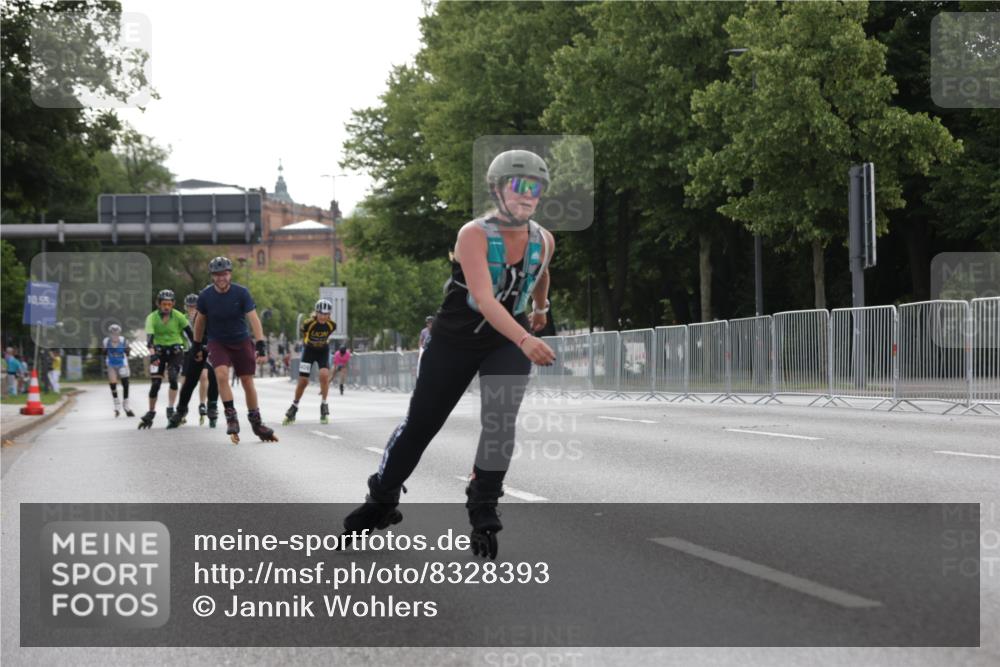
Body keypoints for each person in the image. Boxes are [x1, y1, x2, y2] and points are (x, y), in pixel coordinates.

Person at [342, 149, 556, 559]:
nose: (526, 196)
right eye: (518, 186)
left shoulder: (544, 239)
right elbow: (485, 300)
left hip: (503, 342)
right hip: (454, 341)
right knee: (422, 424)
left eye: (535, 188)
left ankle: (484, 505)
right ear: (497, 190)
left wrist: (540, 310)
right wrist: (526, 339)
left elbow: (543, 271)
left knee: (500, 420)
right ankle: (382, 499)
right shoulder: (473, 235)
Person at [191, 256, 277, 444]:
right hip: (217, 341)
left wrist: (261, 343)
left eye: (225, 274)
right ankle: (231, 417)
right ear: (212, 276)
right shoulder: (206, 296)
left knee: (247, 380)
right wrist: (196, 345)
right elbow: (199, 321)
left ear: (230, 274)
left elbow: (253, 318)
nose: (221, 278)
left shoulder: (241, 293)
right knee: (221, 375)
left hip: (241, 340)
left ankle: (256, 422)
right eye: (217, 275)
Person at [138, 290, 192, 429]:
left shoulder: (178, 316)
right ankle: (151, 412)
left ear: (173, 304)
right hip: (159, 352)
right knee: (155, 384)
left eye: (169, 304)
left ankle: (170, 408)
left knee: (173, 377)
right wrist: (153, 353)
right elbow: (149, 339)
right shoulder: (152, 317)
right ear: (158, 304)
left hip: (175, 351)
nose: (167, 307)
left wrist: (197, 347)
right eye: (164, 304)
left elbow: (190, 334)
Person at [166, 294, 220, 429]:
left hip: (204, 351)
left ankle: (205, 404)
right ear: (185, 307)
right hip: (187, 352)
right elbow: (175, 334)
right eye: (189, 307)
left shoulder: (204, 316)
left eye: (195, 307)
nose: (192, 309)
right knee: (185, 381)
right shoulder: (181, 319)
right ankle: (180, 410)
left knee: (206, 376)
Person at [284, 299, 336, 425]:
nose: (323, 317)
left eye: (326, 314)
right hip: (309, 351)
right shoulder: (308, 323)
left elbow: (327, 337)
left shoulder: (332, 325)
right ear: (316, 313)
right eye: (321, 314)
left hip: (323, 351)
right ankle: (294, 406)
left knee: (324, 375)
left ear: (329, 314)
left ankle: (324, 405)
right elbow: (304, 336)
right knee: (303, 381)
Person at [103, 324, 135, 417]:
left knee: (125, 383)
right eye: (113, 334)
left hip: (122, 363)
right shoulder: (106, 341)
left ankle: (126, 405)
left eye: (116, 334)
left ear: (119, 333)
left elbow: (128, 353)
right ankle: (116, 404)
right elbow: (104, 353)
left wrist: (128, 350)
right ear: (110, 334)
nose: (114, 336)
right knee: (113, 384)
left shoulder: (124, 340)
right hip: (111, 363)